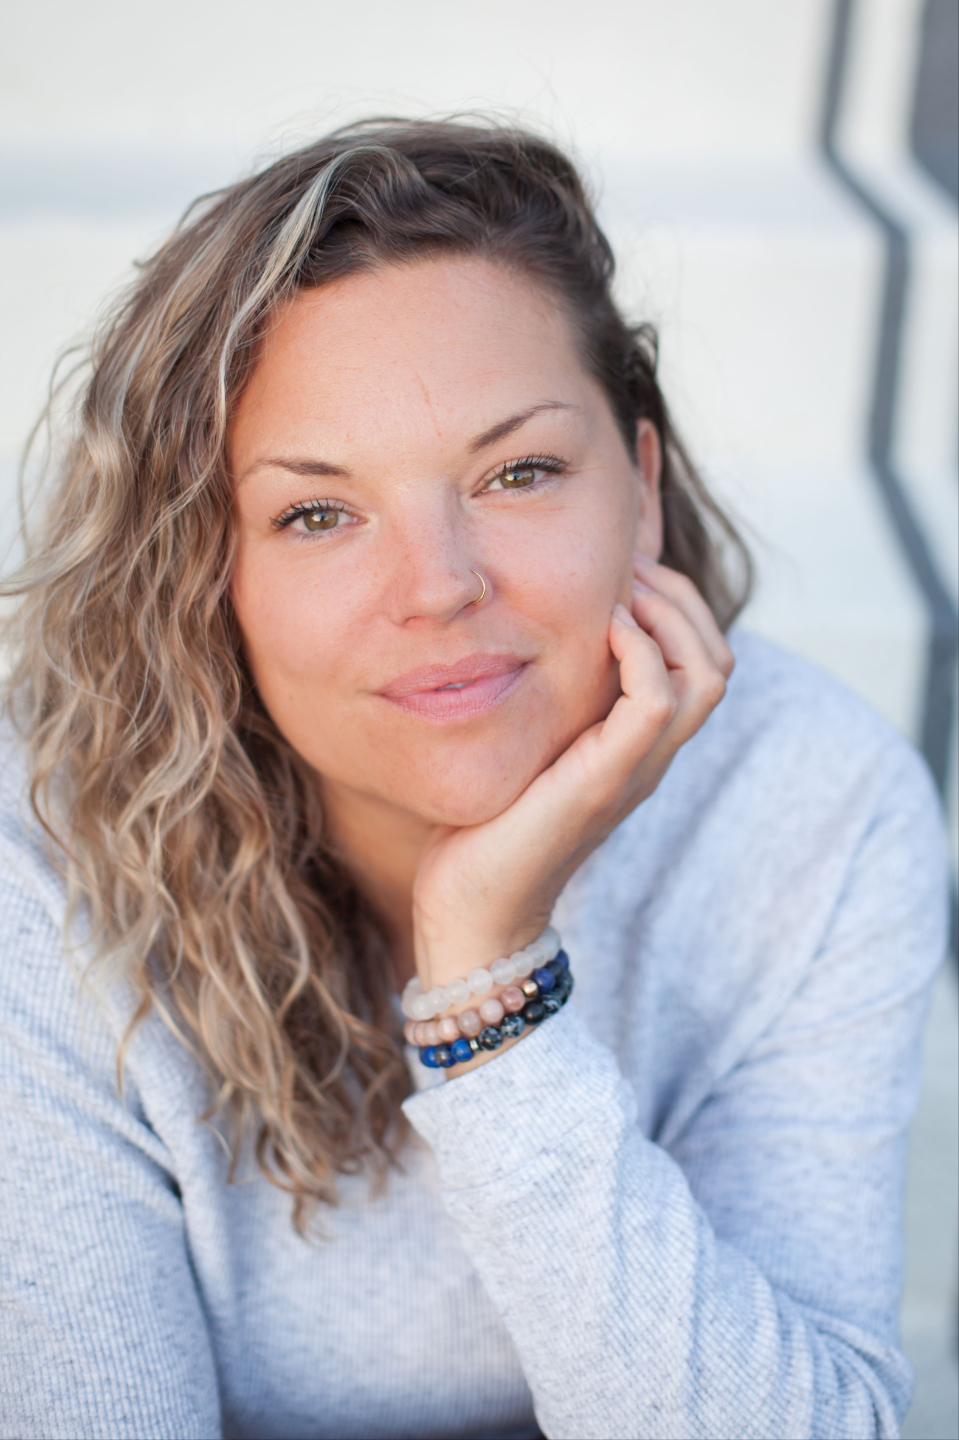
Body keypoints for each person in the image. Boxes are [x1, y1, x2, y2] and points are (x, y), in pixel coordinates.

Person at [0, 119, 946, 1440]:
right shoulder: (44, 860)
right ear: (209, 574)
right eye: (316, 512)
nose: (441, 586)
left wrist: (489, 983)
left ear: (642, 492)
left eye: (519, 473)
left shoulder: (813, 804)